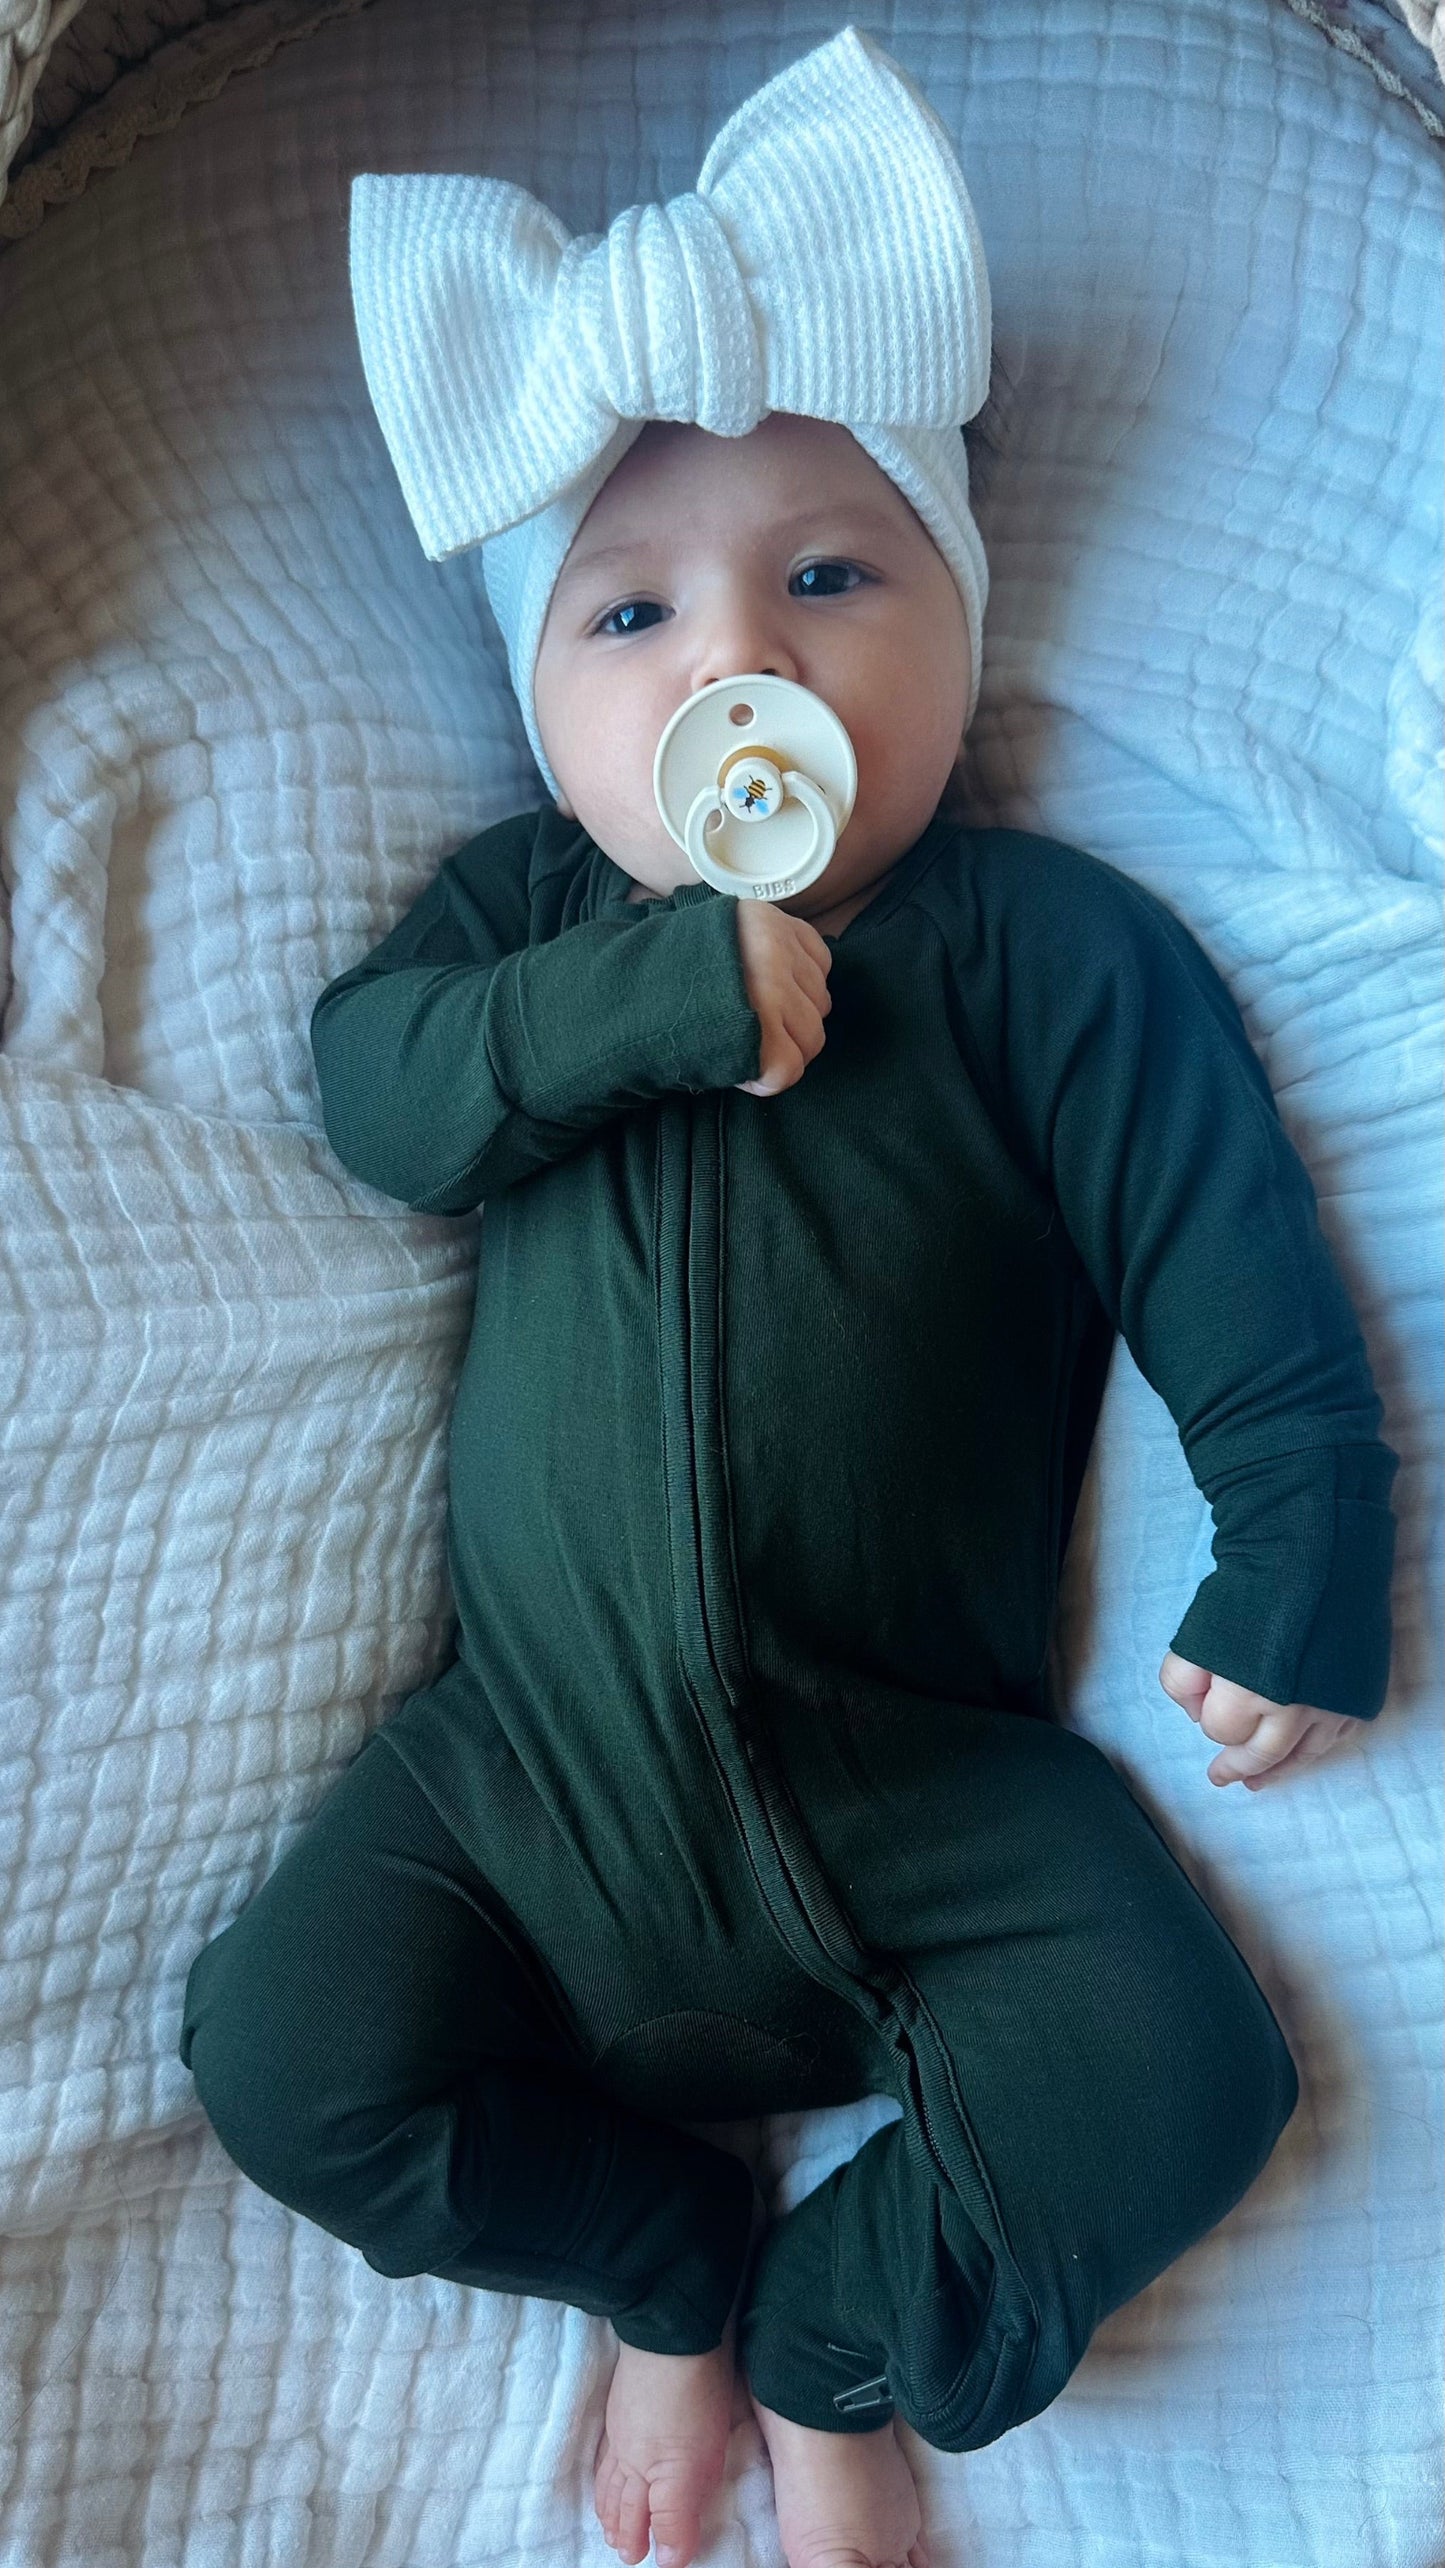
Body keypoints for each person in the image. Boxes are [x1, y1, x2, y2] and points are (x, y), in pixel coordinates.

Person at [177, 30, 1397, 2568]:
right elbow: (375, 1099)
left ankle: (844, 2324)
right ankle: (664, 2254)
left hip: (925, 1789)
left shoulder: (1050, 952)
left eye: (834, 577)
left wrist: (1304, 1544)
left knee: (1185, 2086)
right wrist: (638, 1002)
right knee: (283, 2064)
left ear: (961, 616)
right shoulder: (532, 928)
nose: (747, 661)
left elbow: (1231, 1254)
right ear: (548, 710)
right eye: (634, 614)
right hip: (527, 1786)